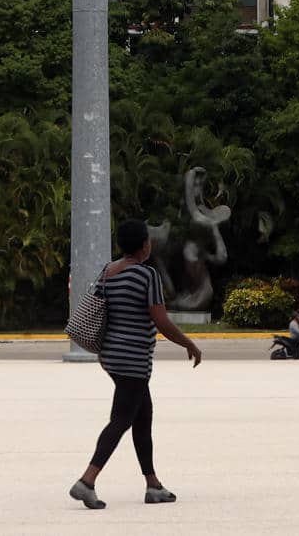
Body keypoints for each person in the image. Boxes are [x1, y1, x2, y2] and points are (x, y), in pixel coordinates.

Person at [70, 219, 202, 510]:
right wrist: (189, 344)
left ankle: (153, 484)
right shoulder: (147, 275)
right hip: (133, 358)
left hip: (111, 355)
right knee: (121, 419)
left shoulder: (108, 271)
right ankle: (86, 481)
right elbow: (161, 321)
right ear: (144, 245)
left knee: (143, 417)